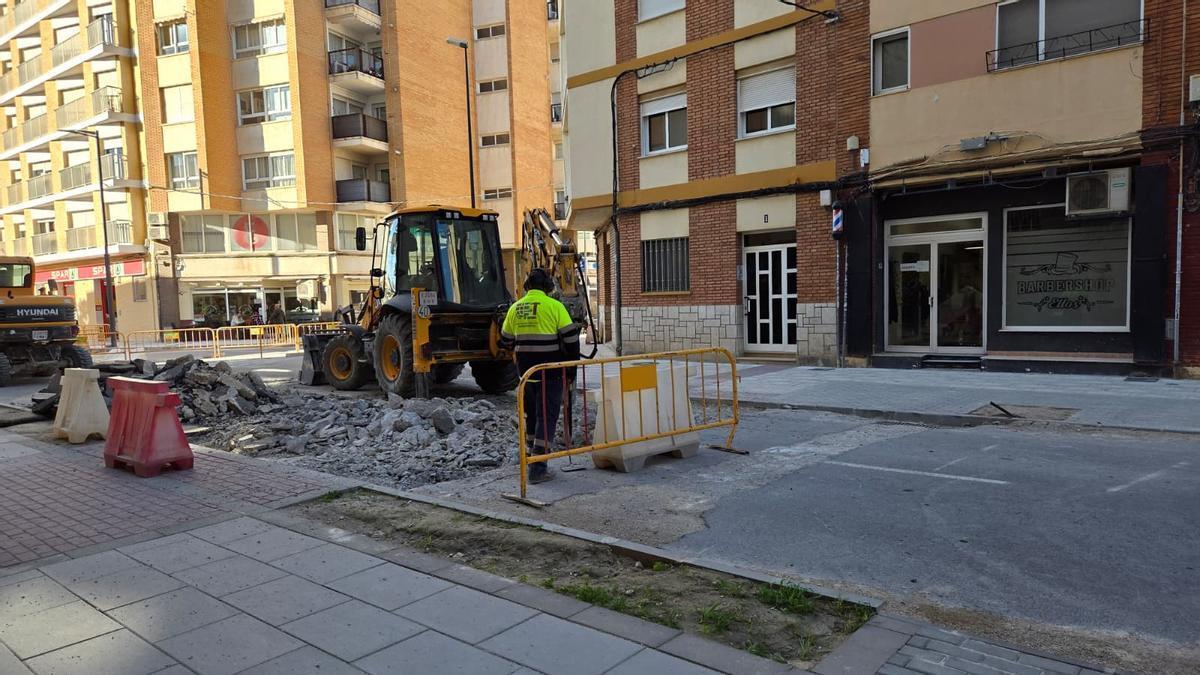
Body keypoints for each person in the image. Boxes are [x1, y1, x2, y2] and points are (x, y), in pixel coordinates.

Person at [500, 269, 581, 484]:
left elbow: (506, 341)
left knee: (532, 416)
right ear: (548, 287)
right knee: (547, 417)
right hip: (550, 373)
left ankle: (529, 458)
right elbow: (572, 340)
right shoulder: (555, 307)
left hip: (526, 375)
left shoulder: (515, 308)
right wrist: (571, 368)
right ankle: (538, 467)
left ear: (527, 286)